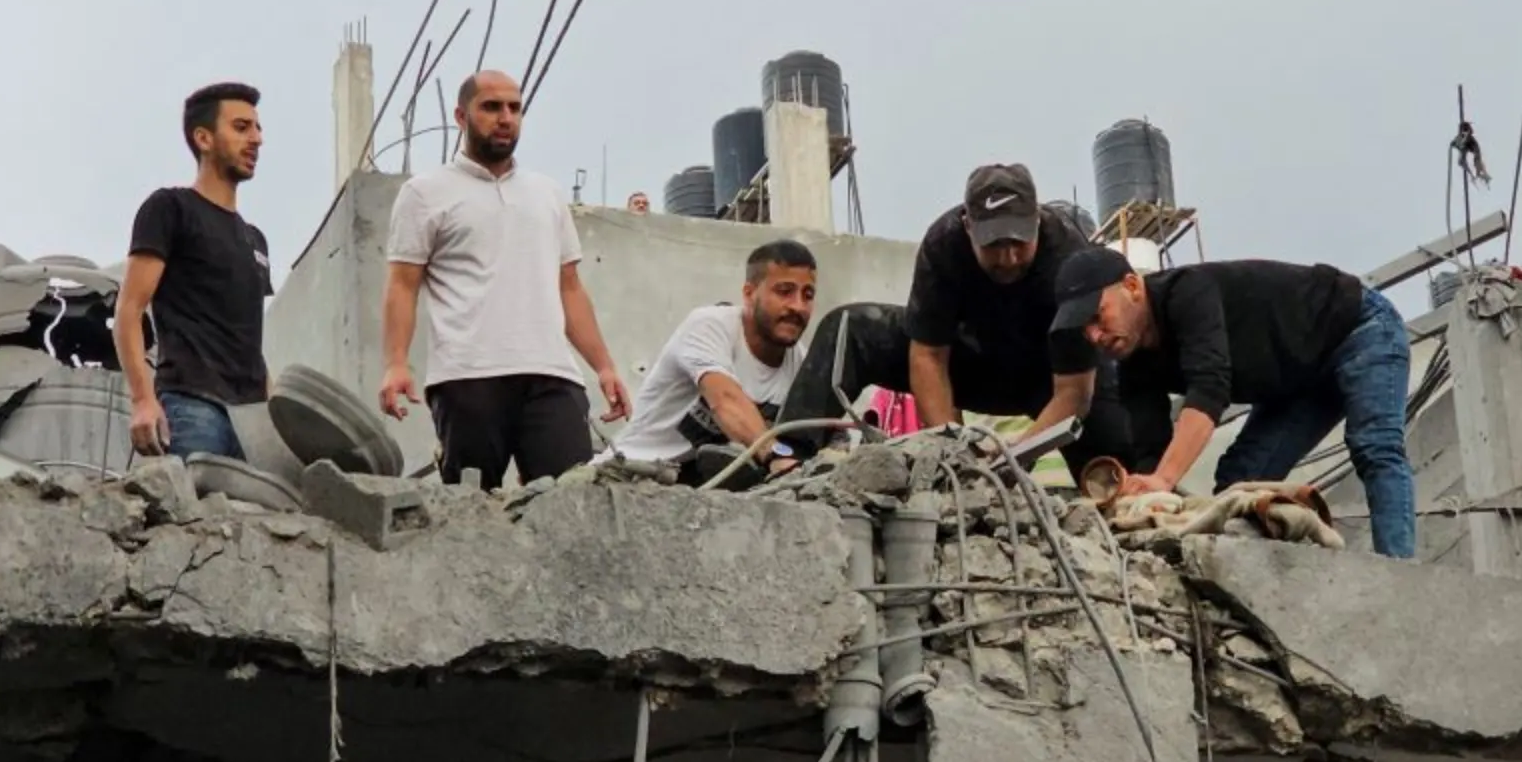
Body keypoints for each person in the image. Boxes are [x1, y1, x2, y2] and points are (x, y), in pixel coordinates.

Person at [1049, 246, 1416, 558]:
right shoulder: (1132, 361)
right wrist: (1149, 494)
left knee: (1375, 446)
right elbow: (1151, 453)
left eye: (1098, 316)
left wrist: (1163, 478)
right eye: (1085, 329)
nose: (1095, 335)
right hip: (1297, 383)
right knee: (1239, 482)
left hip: (1358, 328)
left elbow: (1209, 389)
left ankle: (1400, 573)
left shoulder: (1187, 292)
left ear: (1132, 287)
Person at [777, 162, 1133, 477]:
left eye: (1020, 243)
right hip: (972, 363)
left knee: (1115, 449)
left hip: (1050, 375)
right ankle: (786, 455)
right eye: (994, 245)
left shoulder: (1068, 254)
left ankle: (1123, 498)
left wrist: (1017, 456)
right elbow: (928, 356)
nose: (1008, 258)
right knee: (851, 327)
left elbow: (1075, 393)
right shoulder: (943, 245)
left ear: (1037, 222)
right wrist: (954, 452)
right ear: (967, 226)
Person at [378, 68, 631, 490]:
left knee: (568, 505)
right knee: (472, 510)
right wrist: (395, 364)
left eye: (515, 108)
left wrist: (604, 367)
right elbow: (402, 284)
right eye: (491, 107)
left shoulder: (546, 193)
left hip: (553, 376)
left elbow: (569, 286)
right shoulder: (425, 192)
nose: (505, 117)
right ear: (461, 116)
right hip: (467, 377)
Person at [116, 82, 275, 461]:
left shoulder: (255, 240)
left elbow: (249, 339)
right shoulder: (170, 209)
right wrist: (143, 400)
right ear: (203, 138)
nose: (256, 139)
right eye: (241, 127)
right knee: (192, 519)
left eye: (257, 128)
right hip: (192, 408)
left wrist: (273, 413)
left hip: (253, 423)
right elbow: (128, 311)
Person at [602, 240, 817, 484]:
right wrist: (775, 456)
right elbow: (725, 400)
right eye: (784, 291)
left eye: (807, 295)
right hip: (627, 475)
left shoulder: (800, 362)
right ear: (749, 293)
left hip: (699, 492)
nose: (798, 306)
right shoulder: (710, 326)